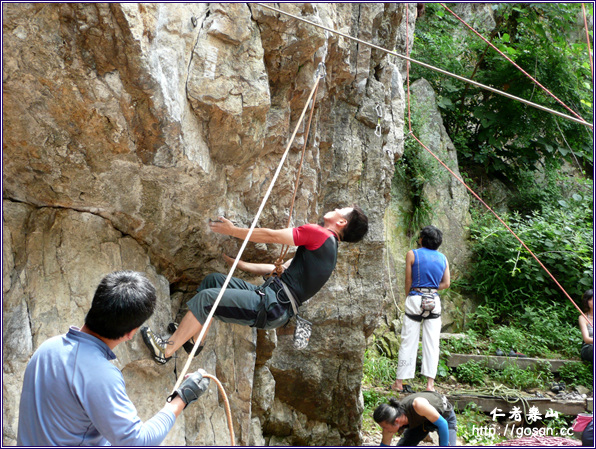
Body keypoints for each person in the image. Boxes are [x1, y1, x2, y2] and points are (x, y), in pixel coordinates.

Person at [141, 206, 369, 364]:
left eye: (341, 209)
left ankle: (166, 350)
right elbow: (277, 268)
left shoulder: (319, 234)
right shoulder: (328, 251)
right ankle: (194, 340)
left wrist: (233, 232)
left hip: (272, 304)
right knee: (214, 281)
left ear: (341, 222)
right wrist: (240, 263)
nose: (336, 208)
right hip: (272, 300)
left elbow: (273, 236)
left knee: (208, 299)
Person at [17, 271, 211, 446]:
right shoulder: (101, 375)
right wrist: (181, 399)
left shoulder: (48, 348)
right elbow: (136, 442)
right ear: (131, 333)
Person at [392, 226, 450, 393]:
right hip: (434, 301)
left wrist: (408, 296)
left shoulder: (412, 254)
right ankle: (430, 385)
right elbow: (446, 284)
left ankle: (399, 382)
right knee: (432, 343)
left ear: (422, 239)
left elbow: (408, 281)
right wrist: (431, 289)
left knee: (408, 340)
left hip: (415, 298)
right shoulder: (443, 258)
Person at [373, 391, 457, 446]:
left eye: (384, 427)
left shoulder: (418, 405)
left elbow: (443, 424)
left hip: (444, 418)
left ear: (397, 421)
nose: (383, 430)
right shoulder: (391, 420)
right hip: (422, 423)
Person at [579, 288, 593, 363]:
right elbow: (586, 339)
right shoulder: (583, 318)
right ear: (586, 302)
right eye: (591, 300)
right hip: (589, 347)